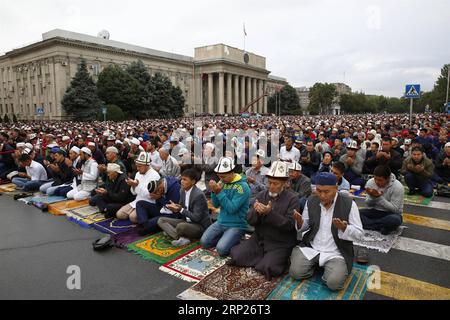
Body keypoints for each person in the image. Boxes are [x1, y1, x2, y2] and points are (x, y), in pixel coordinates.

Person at [289, 172, 363, 291]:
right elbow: (306, 226)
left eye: (327, 191)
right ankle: (317, 266)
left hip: (336, 252)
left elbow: (359, 234)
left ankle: (328, 270)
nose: (322, 195)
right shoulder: (312, 200)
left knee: (334, 284)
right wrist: (300, 222)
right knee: (295, 273)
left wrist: (345, 228)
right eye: (319, 190)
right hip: (312, 248)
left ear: (336, 189)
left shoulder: (349, 203)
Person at [229, 161, 299, 280]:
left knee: (268, 268)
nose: (271, 186)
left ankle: (269, 258)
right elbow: (250, 221)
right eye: (269, 182)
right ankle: (262, 256)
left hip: (280, 242)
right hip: (260, 238)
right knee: (236, 256)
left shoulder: (293, 199)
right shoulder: (262, 195)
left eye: (275, 183)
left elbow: (290, 226)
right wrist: (255, 212)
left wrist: (269, 213)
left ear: (285, 183)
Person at [200, 156, 251, 256]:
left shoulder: (242, 187)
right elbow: (215, 204)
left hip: (237, 224)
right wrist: (214, 191)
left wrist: (218, 192)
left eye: (223, 176)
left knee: (221, 250)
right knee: (204, 242)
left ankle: (236, 237)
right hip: (221, 221)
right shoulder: (222, 182)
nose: (221, 179)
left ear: (232, 172)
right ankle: (228, 238)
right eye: (219, 176)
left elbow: (231, 209)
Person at [158, 169, 211, 246]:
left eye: (185, 179)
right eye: (181, 179)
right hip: (186, 221)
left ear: (193, 182)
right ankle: (182, 238)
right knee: (161, 220)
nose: (182, 181)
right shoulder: (182, 190)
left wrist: (180, 209)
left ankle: (174, 233)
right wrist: (175, 208)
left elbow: (196, 218)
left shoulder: (199, 195)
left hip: (199, 225)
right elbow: (181, 208)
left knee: (180, 226)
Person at [116, 152, 160, 223]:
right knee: (120, 214)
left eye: (139, 166)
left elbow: (149, 195)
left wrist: (136, 185)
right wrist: (133, 185)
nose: (137, 168)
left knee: (133, 217)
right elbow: (133, 193)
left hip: (148, 202)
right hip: (137, 200)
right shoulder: (138, 174)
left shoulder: (155, 175)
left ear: (146, 165)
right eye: (137, 166)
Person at [359, 165, 404, 235]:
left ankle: (370, 224)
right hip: (374, 211)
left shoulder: (398, 186)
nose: (377, 182)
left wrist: (378, 198)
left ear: (388, 179)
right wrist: (372, 197)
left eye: (380, 180)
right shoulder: (370, 182)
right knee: (355, 213)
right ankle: (382, 227)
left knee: (395, 220)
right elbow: (368, 204)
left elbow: (395, 209)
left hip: (391, 214)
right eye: (375, 178)